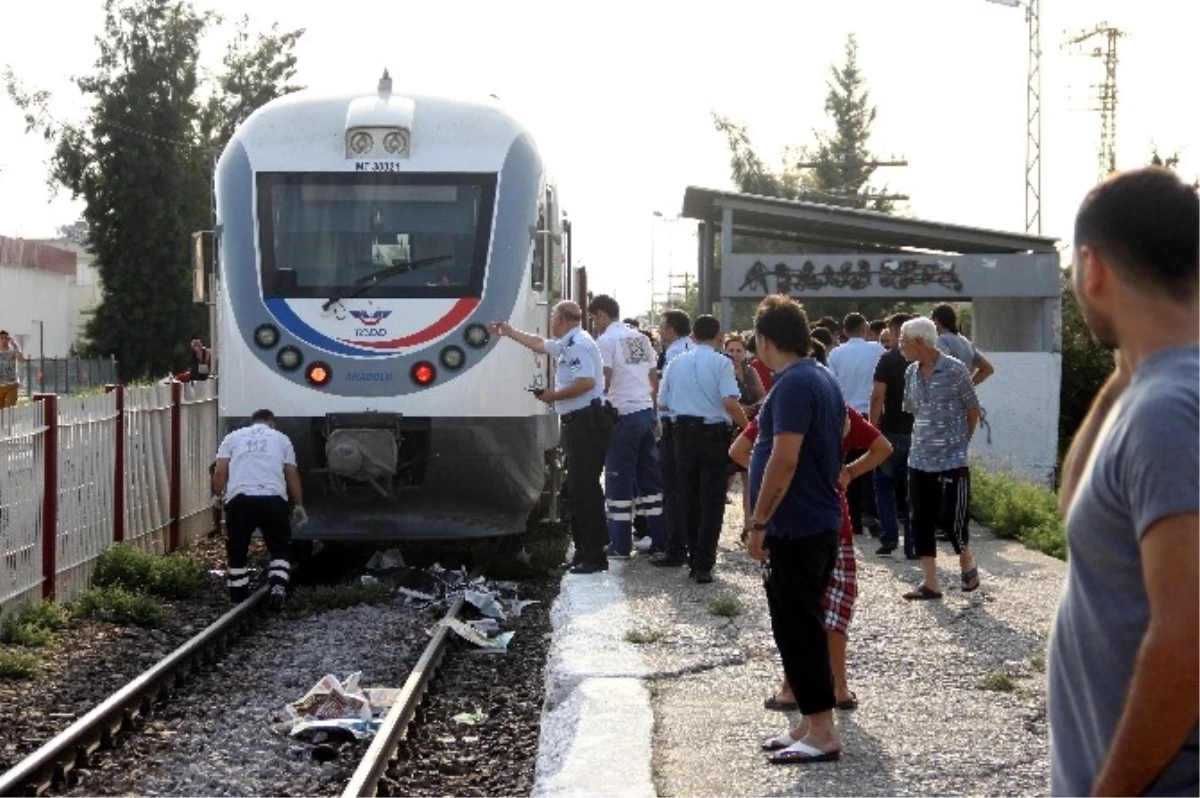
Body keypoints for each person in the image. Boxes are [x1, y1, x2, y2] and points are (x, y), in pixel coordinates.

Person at [1049, 167, 1200, 797]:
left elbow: (1188, 635)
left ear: (1092, 268)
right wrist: (1131, 358)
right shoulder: (1154, 392)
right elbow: (1075, 509)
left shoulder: (1170, 407)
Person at [732, 339, 892, 722]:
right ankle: (836, 688)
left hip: (797, 524)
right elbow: (883, 447)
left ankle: (797, 694)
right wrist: (849, 473)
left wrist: (766, 476)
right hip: (834, 523)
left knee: (797, 617)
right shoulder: (838, 408)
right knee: (830, 613)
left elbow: (739, 449)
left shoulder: (782, 404)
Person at [745, 294, 845, 765]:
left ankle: (823, 732)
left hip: (796, 527)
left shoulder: (791, 385)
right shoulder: (821, 377)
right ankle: (808, 721)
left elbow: (783, 459)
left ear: (765, 340)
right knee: (796, 626)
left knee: (799, 628)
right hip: (816, 520)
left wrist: (758, 522)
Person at [490, 301, 613, 574]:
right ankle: (585, 552)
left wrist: (551, 396)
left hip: (586, 424)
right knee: (579, 491)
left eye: (553, 318)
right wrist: (510, 332)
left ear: (561, 319)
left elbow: (586, 382)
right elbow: (539, 344)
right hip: (579, 423)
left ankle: (594, 556)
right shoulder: (569, 342)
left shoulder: (578, 343)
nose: (551, 324)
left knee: (585, 491)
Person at [657, 315, 748, 582]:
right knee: (712, 499)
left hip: (682, 434)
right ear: (719, 337)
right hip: (713, 435)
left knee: (688, 497)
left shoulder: (675, 362)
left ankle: (692, 559)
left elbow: (662, 403)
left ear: (693, 336)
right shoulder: (722, 363)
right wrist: (747, 427)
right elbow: (729, 401)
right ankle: (704, 564)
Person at [897, 316, 981, 599]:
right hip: (919, 458)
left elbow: (972, 410)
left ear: (920, 342)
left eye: (903, 341)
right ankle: (931, 583)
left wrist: (961, 443)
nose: (900, 347)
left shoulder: (956, 370)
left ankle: (966, 558)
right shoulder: (911, 373)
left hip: (952, 459)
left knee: (951, 518)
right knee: (920, 518)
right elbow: (914, 411)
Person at [587, 295, 666, 558]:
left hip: (622, 416)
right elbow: (653, 377)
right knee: (650, 482)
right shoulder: (640, 338)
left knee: (618, 480)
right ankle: (660, 540)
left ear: (601, 315)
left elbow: (604, 380)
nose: (594, 324)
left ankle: (620, 545)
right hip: (645, 413)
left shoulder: (606, 341)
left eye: (594, 318)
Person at [211, 409, 305, 610]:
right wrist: (298, 504)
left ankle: (238, 597)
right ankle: (278, 587)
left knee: (237, 549)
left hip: (240, 499)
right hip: (273, 499)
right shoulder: (281, 439)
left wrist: (217, 494)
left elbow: (220, 470)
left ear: (252, 422)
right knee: (280, 547)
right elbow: (291, 473)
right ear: (271, 422)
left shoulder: (232, 438)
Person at [650, 309, 695, 570]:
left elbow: (663, 397)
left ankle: (676, 548)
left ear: (671, 330)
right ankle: (692, 546)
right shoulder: (696, 349)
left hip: (674, 427)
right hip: (699, 428)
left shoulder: (673, 356)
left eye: (661, 325)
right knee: (691, 491)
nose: (658, 329)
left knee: (673, 491)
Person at [870, 312, 916, 558]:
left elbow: (878, 396)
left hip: (889, 432)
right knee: (911, 492)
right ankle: (913, 544)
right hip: (916, 434)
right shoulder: (922, 360)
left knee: (884, 485)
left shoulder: (888, 361)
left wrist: (871, 429)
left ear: (896, 332)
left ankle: (889, 537)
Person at [930, 304, 994, 386]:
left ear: (936, 321)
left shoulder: (942, 340)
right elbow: (988, 369)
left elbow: (941, 365)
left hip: (945, 393)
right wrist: (967, 386)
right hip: (961, 395)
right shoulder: (966, 342)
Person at [0, 330, 25, 409]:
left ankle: (8, 420)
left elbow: (21, 360)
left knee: (8, 410)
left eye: (6, 338)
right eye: (1, 338)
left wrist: (15, 346)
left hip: (11, 385)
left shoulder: (12, 351)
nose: (4, 340)